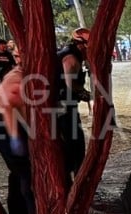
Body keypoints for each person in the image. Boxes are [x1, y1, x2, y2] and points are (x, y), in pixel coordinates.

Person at [0, 65, 35, 214]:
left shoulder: (26, 74)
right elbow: (8, 105)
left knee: (19, 171)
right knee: (25, 169)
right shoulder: (18, 79)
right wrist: (15, 137)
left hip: (6, 120)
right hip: (1, 124)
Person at [56, 28, 91, 182]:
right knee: (75, 145)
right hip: (63, 107)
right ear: (81, 45)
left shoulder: (70, 53)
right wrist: (85, 94)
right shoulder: (71, 59)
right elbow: (70, 84)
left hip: (64, 105)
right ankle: (77, 180)